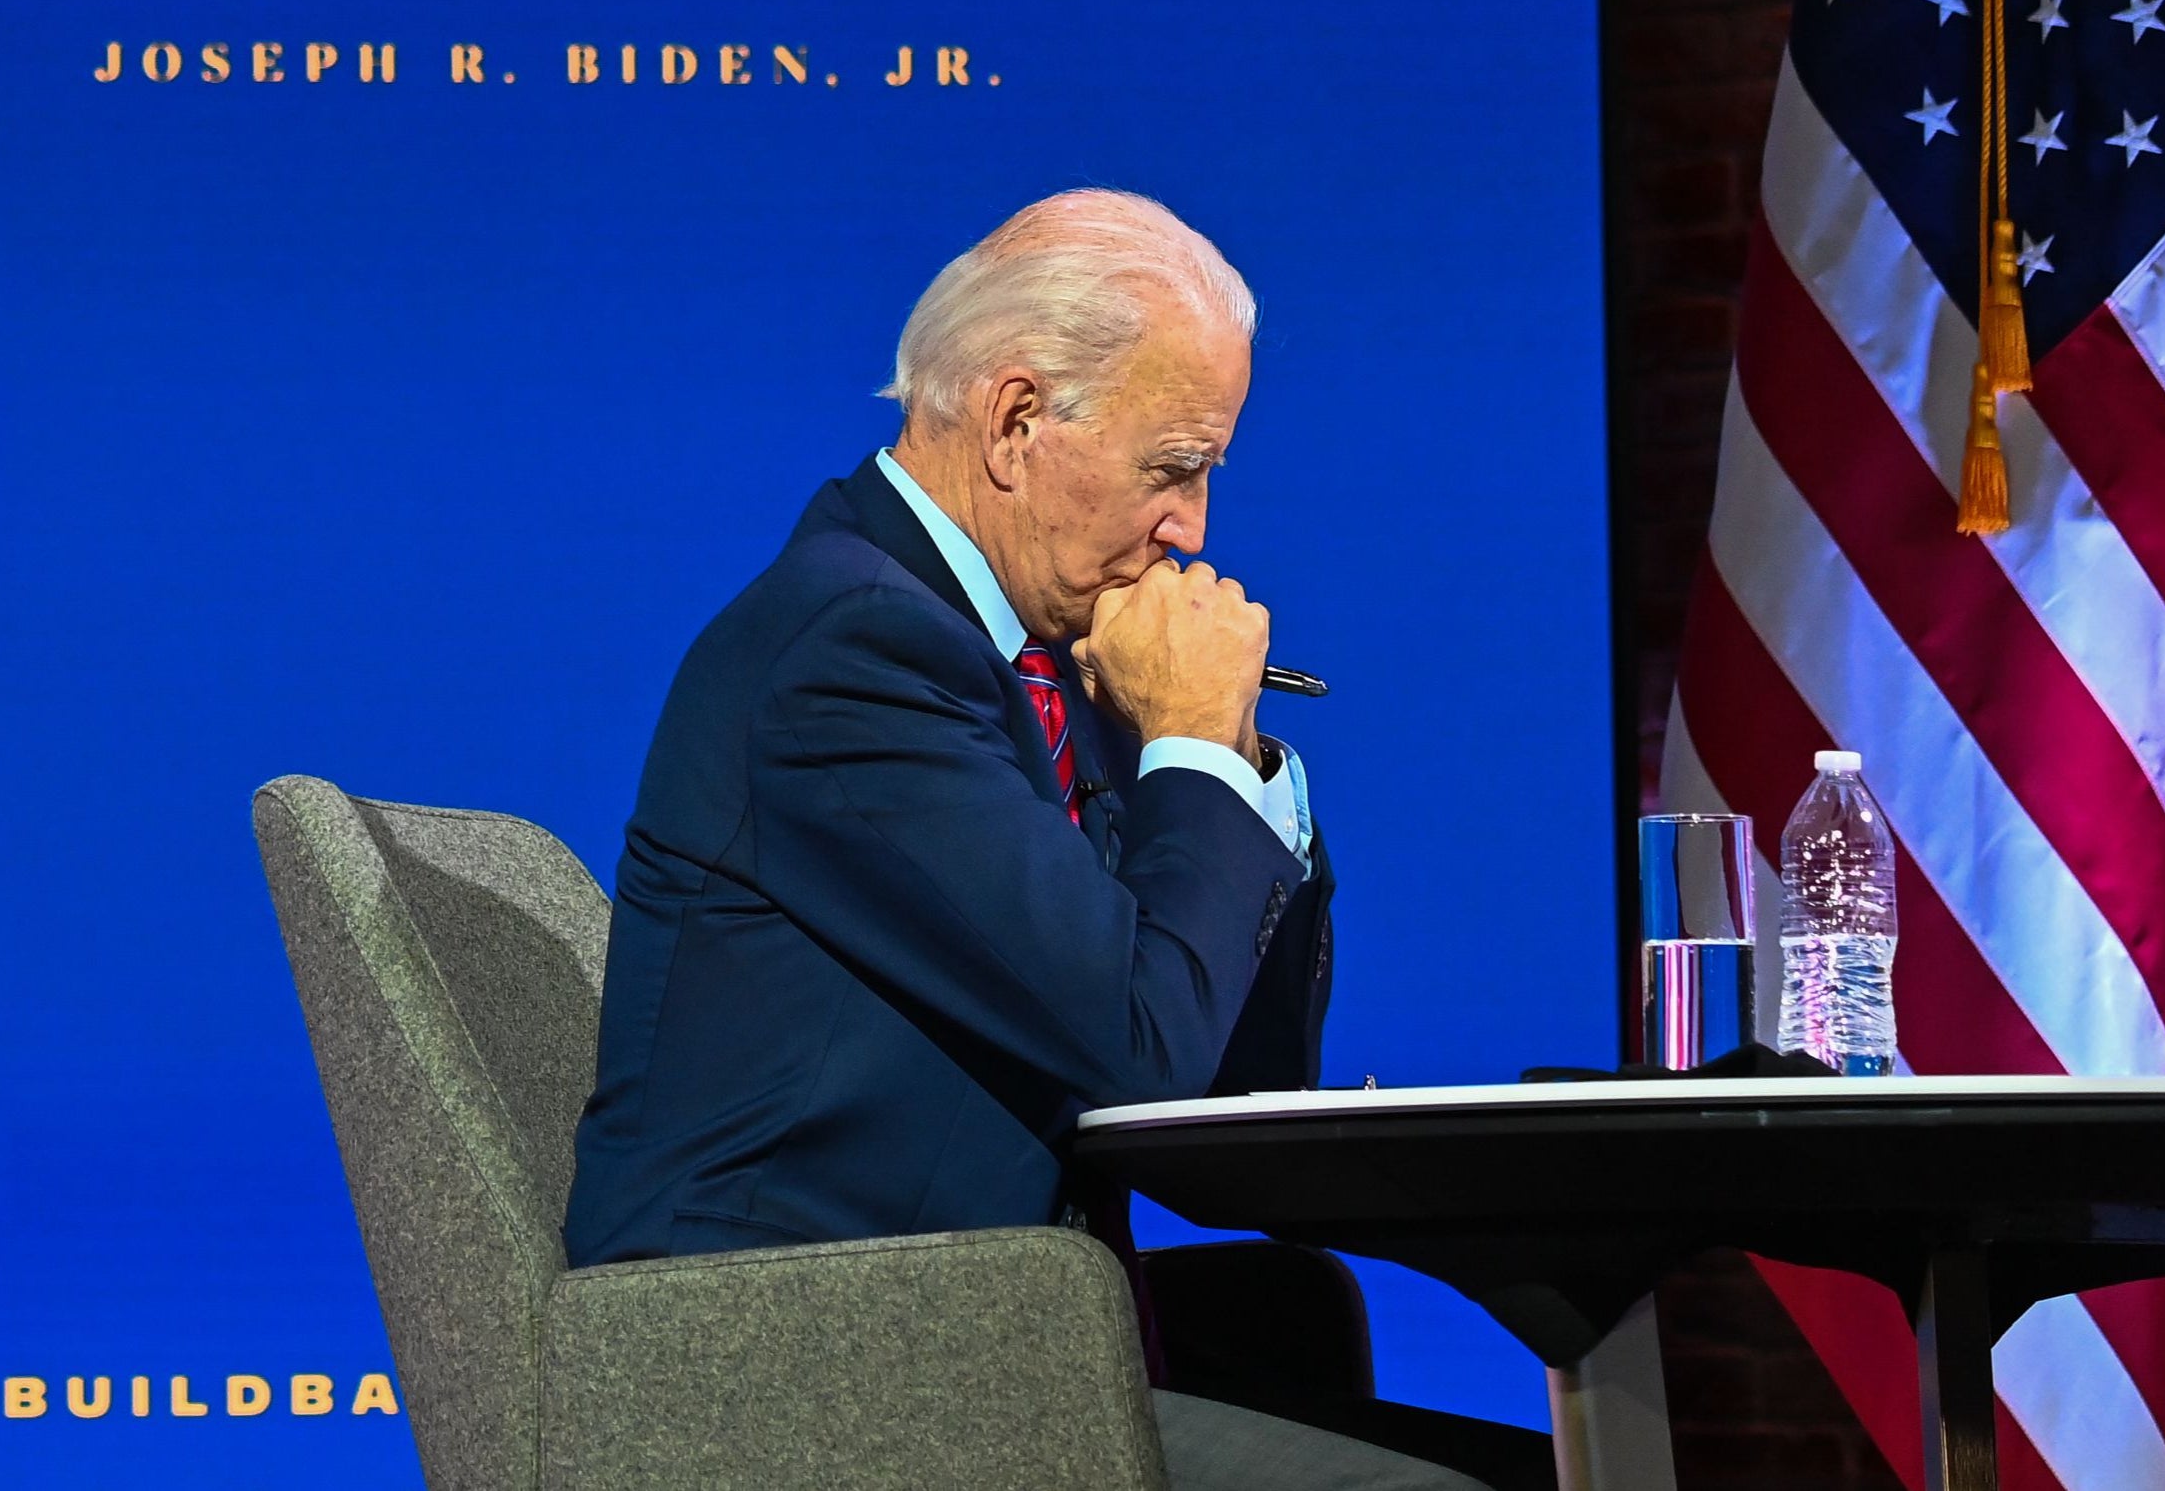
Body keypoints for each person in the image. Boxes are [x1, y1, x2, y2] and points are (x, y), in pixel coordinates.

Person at [567, 190, 1503, 1491]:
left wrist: (1229, 759)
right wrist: (1188, 746)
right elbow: (1141, 1045)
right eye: (1171, 466)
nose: (1195, 531)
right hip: (794, 1382)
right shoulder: (853, 651)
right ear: (1016, 422)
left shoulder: (1030, 668)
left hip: (987, 1341)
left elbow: (1237, 1078)